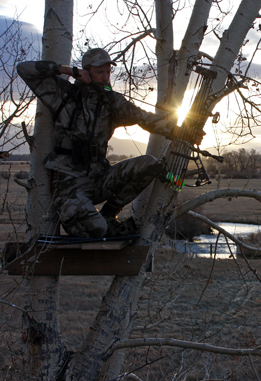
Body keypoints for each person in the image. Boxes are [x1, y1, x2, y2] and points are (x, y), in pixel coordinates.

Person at [17, 48, 200, 238]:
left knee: (149, 164)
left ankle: (108, 215)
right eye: (99, 72)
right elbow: (24, 69)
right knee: (97, 230)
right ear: (85, 71)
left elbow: (143, 118)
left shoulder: (111, 101)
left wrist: (181, 132)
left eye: (108, 72)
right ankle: (98, 223)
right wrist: (69, 71)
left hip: (98, 178)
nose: (106, 77)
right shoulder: (63, 94)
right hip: (69, 183)